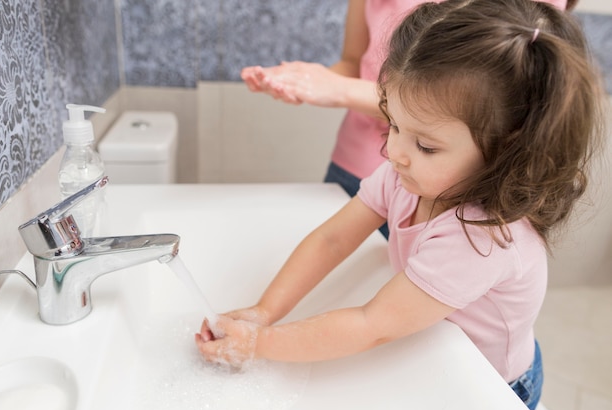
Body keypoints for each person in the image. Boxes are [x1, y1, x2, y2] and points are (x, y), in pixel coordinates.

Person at [196, 0, 605, 410]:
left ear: (506, 149)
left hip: (491, 383)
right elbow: (333, 240)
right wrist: (264, 311)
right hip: (439, 348)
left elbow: (371, 324)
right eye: (393, 122)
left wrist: (259, 344)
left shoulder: (481, 237)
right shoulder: (408, 176)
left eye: (425, 145)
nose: (394, 152)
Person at [242, 0, 579, 239]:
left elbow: (501, 104)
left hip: (452, 189)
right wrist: (303, 84)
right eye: (397, 128)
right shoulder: (389, 174)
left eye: (426, 144)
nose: (395, 154)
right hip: (354, 164)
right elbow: (353, 62)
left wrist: (340, 90)